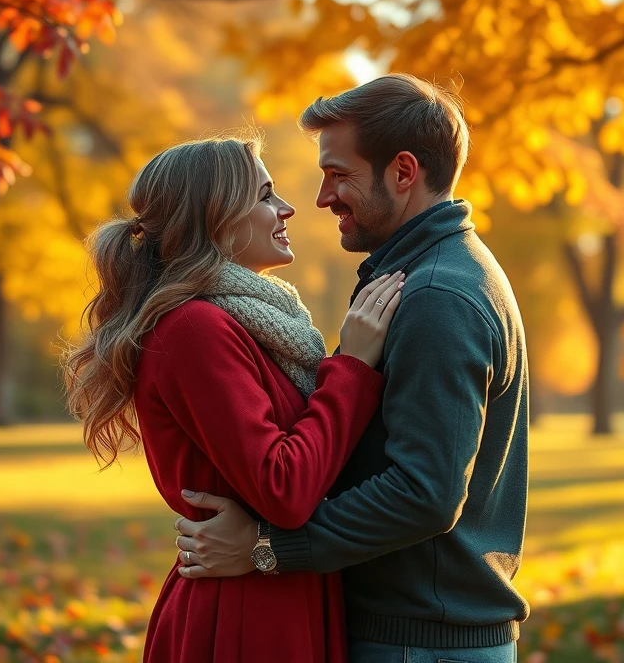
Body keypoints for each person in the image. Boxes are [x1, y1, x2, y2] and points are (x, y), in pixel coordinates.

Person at [173, 75, 532, 663]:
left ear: (404, 172)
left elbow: (426, 494)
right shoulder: (422, 276)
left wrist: (267, 548)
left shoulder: (436, 295)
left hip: (419, 644)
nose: (321, 197)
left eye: (339, 175)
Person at [62, 134, 405, 662]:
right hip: (243, 616)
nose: (288, 208)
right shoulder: (193, 329)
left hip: (279, 590)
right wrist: (353, 370)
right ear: (217, 217)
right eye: (266, 195)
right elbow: (284, 487)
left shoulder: (254, 326)